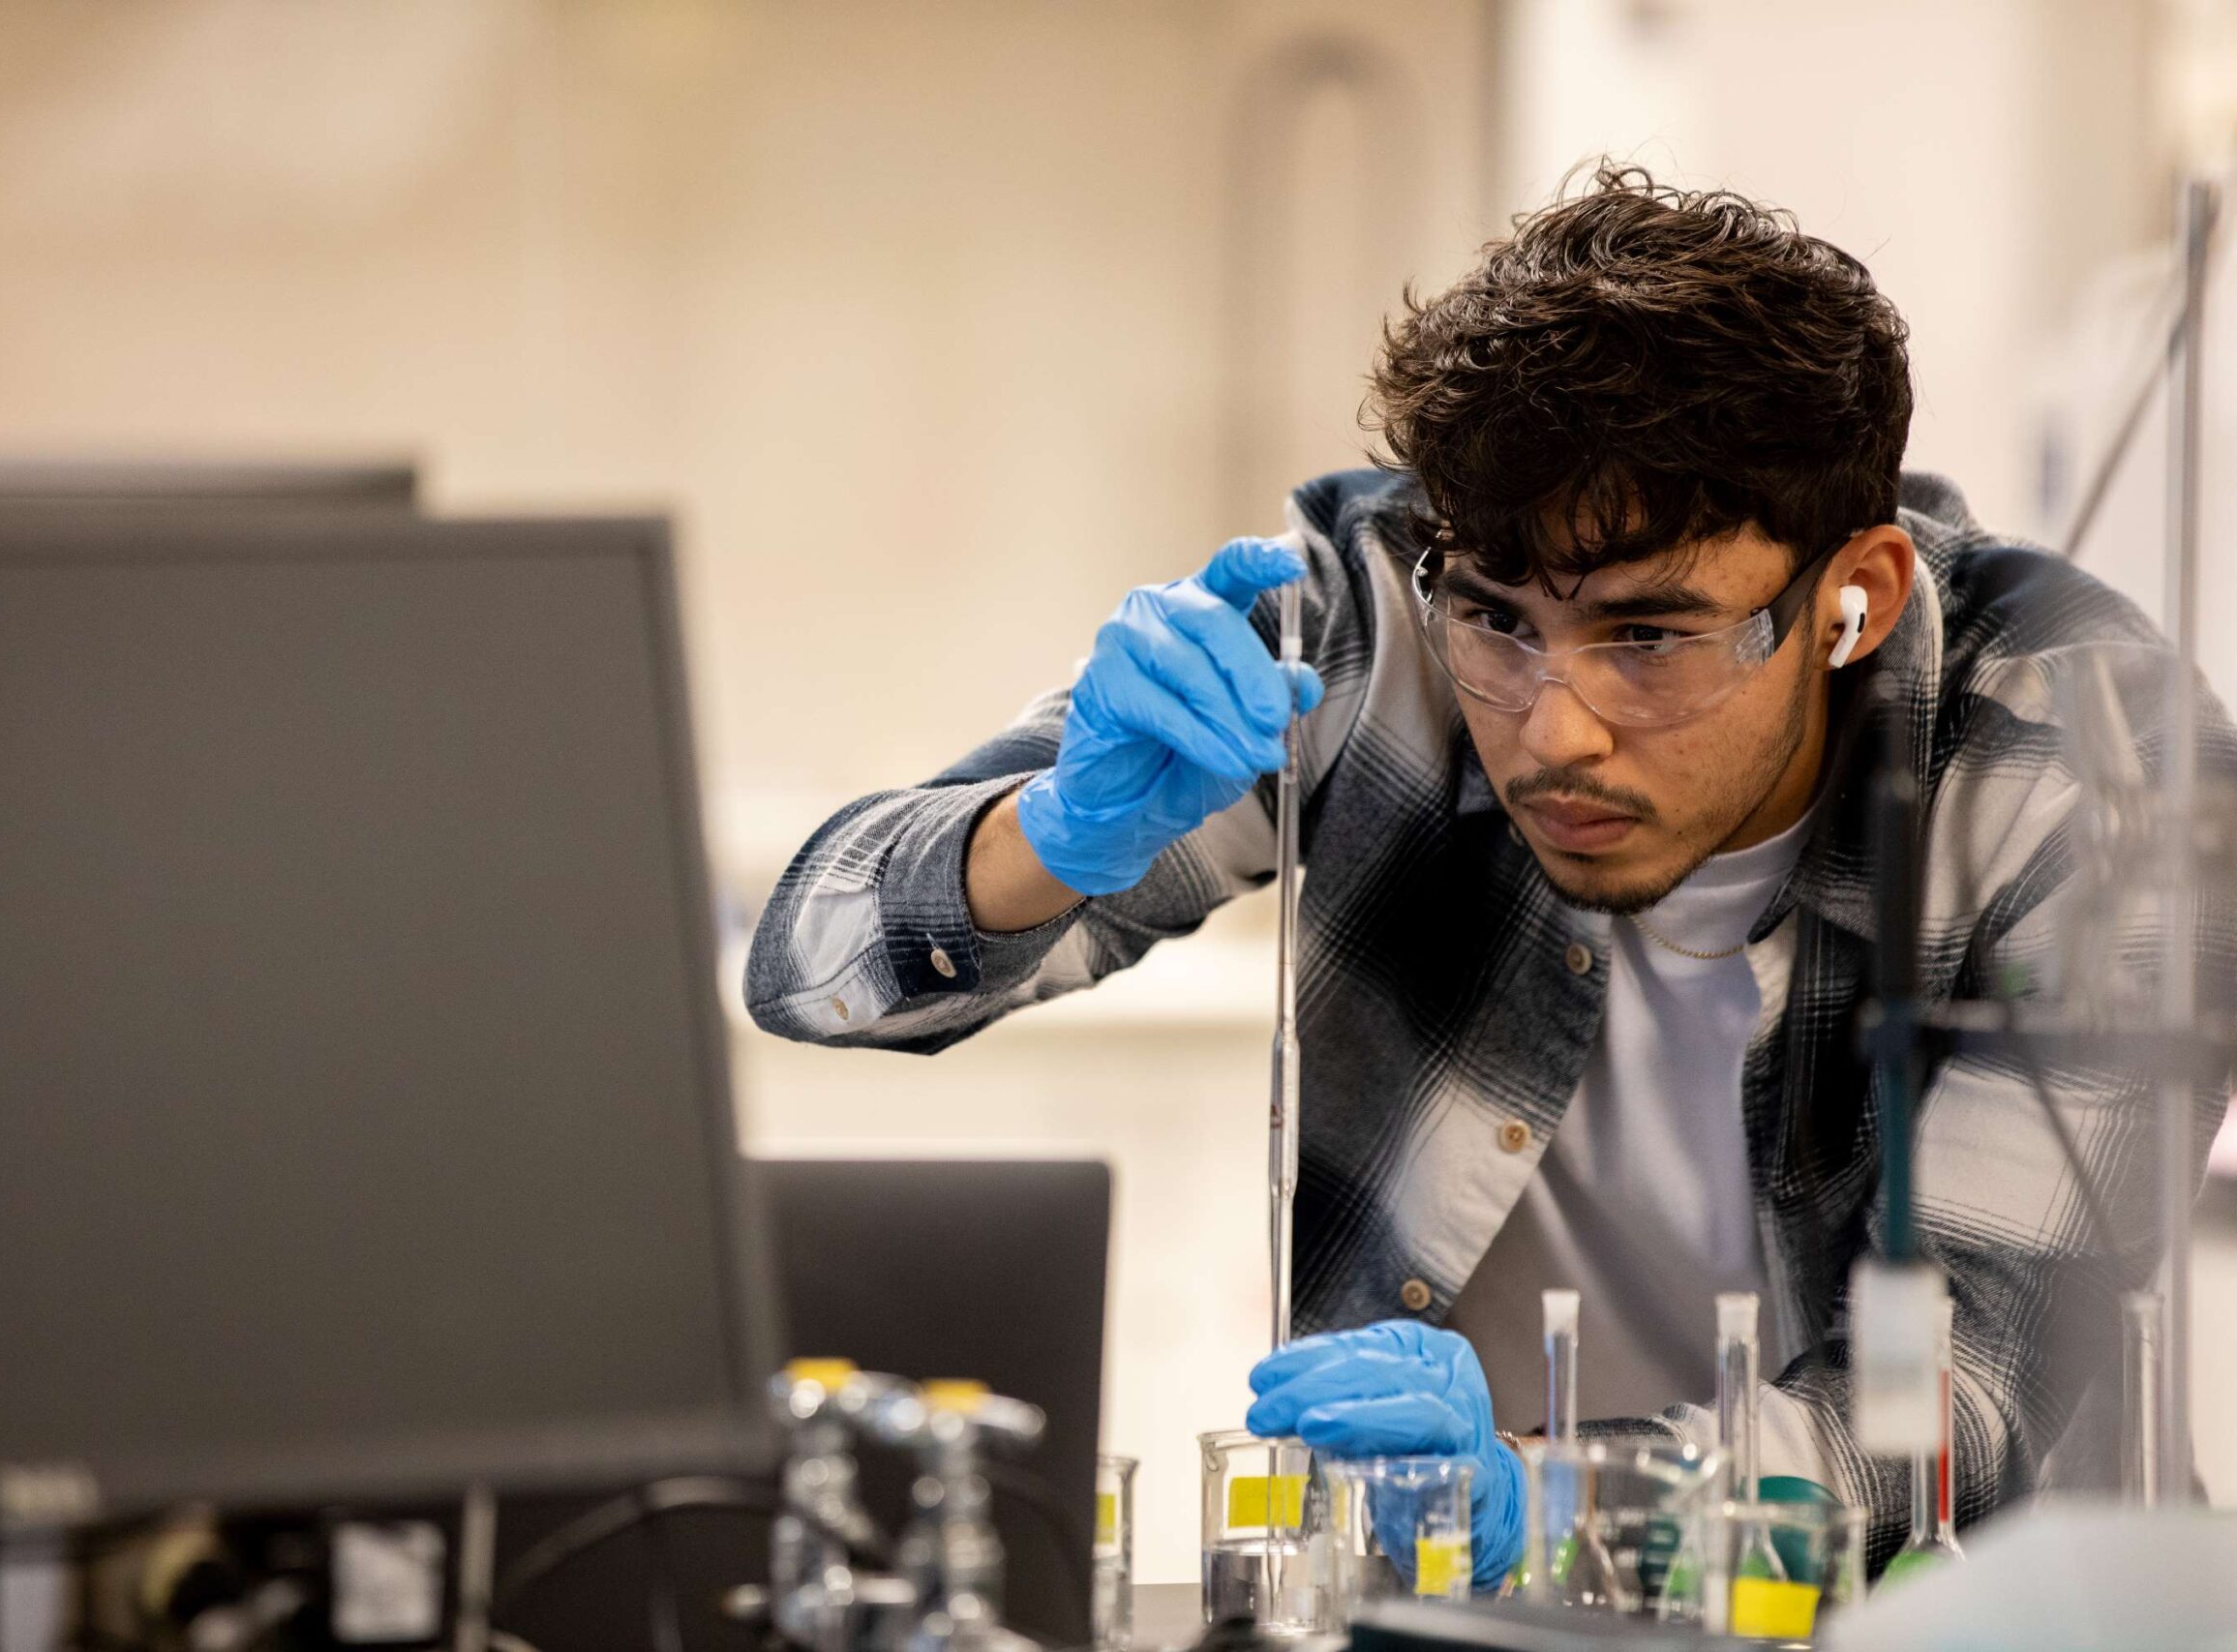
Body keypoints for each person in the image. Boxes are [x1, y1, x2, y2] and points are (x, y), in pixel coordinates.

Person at [741, 166, 2237, 1585]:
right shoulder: (1363, 615)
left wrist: (1551, 1498)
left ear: (1854, 598)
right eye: (1500, 622)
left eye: (1648, 638)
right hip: (1450, 1609)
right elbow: (809, 966)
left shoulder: (2093, 773)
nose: (1553, 729)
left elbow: (1955, 1423)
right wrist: (1051, 837)